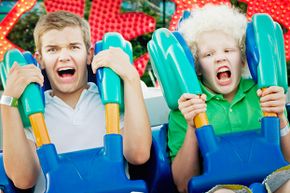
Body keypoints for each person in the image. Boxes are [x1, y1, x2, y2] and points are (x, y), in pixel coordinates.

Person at [0, 10, 151, 191]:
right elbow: (23, 179)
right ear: (39, 60)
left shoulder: (113, 101)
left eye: (74, 47)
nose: (64, 56)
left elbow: (139, 154)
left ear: (89, 55)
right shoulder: (31, 112)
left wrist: (131, 77)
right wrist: (8, 102)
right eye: (52, 49)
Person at [167, 4, 290, 193]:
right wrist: (192, 127)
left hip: (274, 178)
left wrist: (281, 117)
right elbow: (183, 185)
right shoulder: (186, 108)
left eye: (228, 50)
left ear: (242, 59)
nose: (220, 59)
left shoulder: (265, 94)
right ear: (197, 66)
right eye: (208, 54)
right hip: (217, 186)